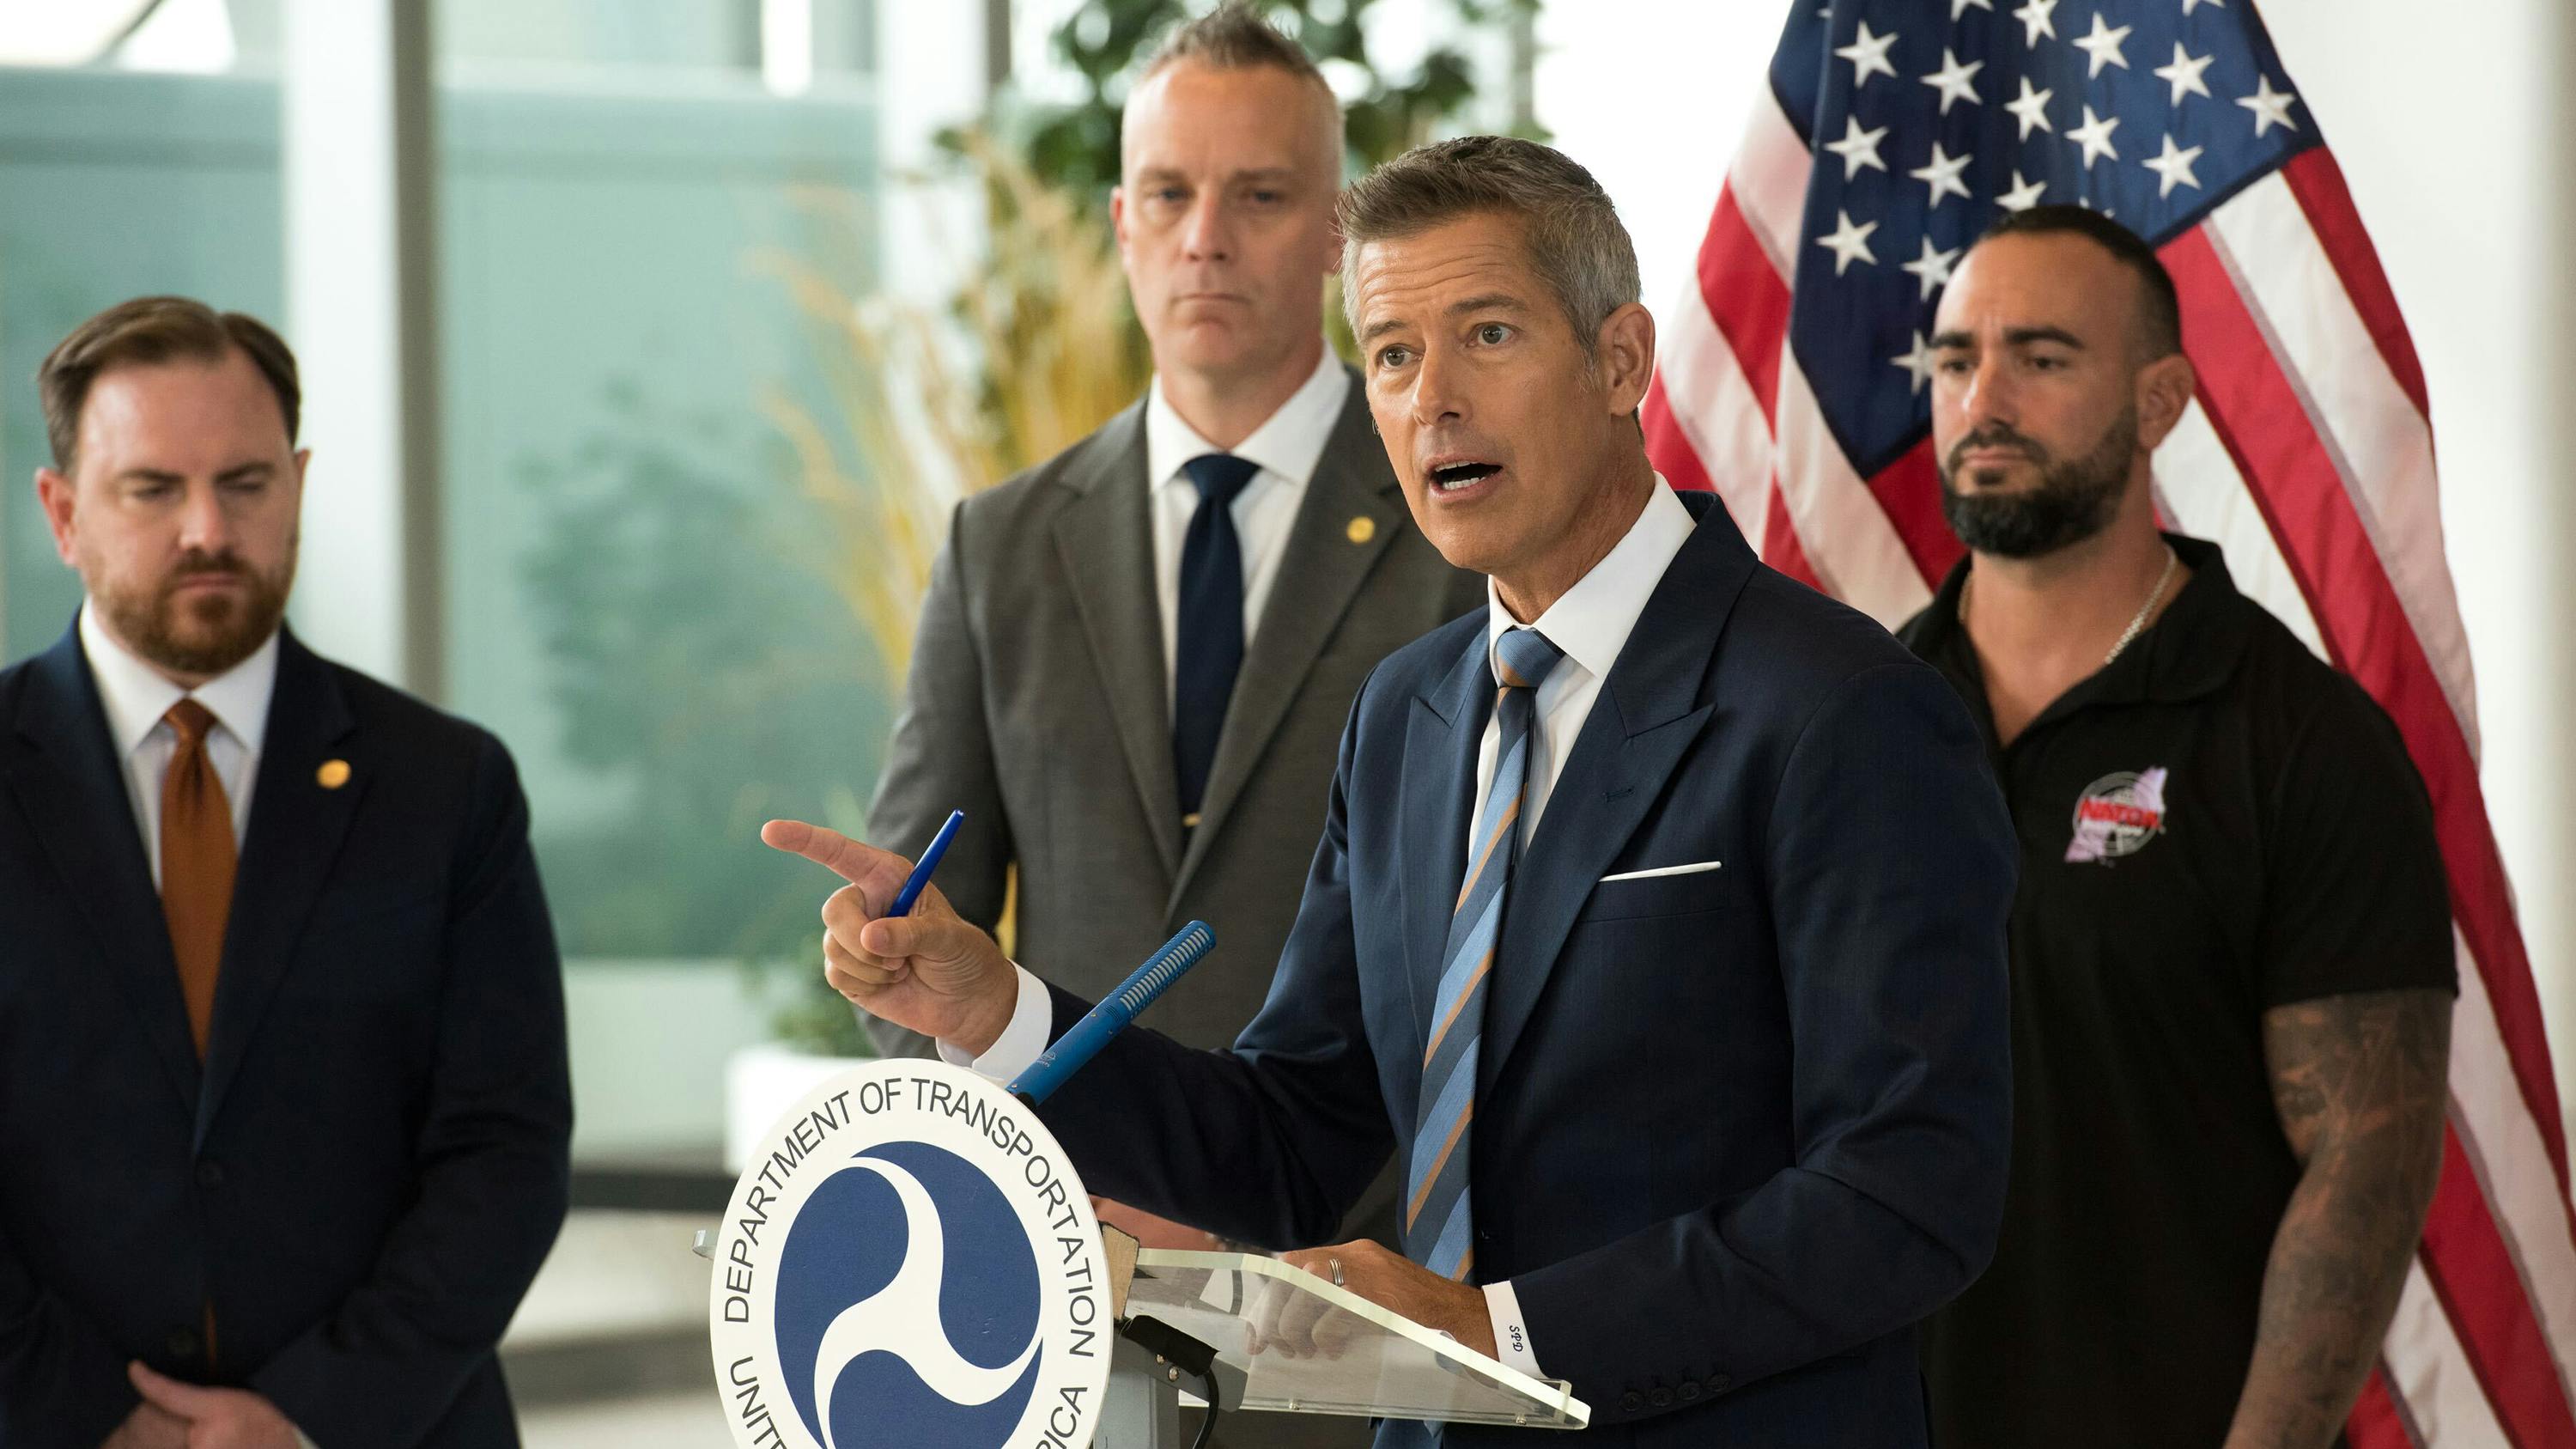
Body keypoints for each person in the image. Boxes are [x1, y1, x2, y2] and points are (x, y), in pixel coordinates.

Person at [771, 137, 2018, 1448]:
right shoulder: (1405, 716)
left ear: (1620, 363)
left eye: (1487, 335)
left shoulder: (1843, 711)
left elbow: (1908, 1193)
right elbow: (1294, 1137)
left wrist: (1499, 1332)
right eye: (1392, 353)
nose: (1433, 399)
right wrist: (997, 1007)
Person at [860, 2, 1479, 1272]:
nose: (1206, 240)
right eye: (1168, 192)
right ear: (1121, 225)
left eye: (1258, 196)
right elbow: (931, 954)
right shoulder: (1003, 545)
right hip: (1069, 1270)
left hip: (1375, 1272)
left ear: (1332, 230)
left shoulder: (1459, 520)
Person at [1902, 207, 2455, 1449]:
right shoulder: (1854, 726)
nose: (1983, 398)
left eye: (2042, 360)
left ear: (2162, 403)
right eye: (1954, 361)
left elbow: (2365, 1169)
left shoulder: (2303, 741)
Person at [0, 298, 572, 1447]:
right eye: (152, 489)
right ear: (63, 513)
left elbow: (504, 1149)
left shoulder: (446, 787)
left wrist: (309, 1419)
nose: (208, 528)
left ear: (299, 486)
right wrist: (96, 1417)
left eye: (247, 483)